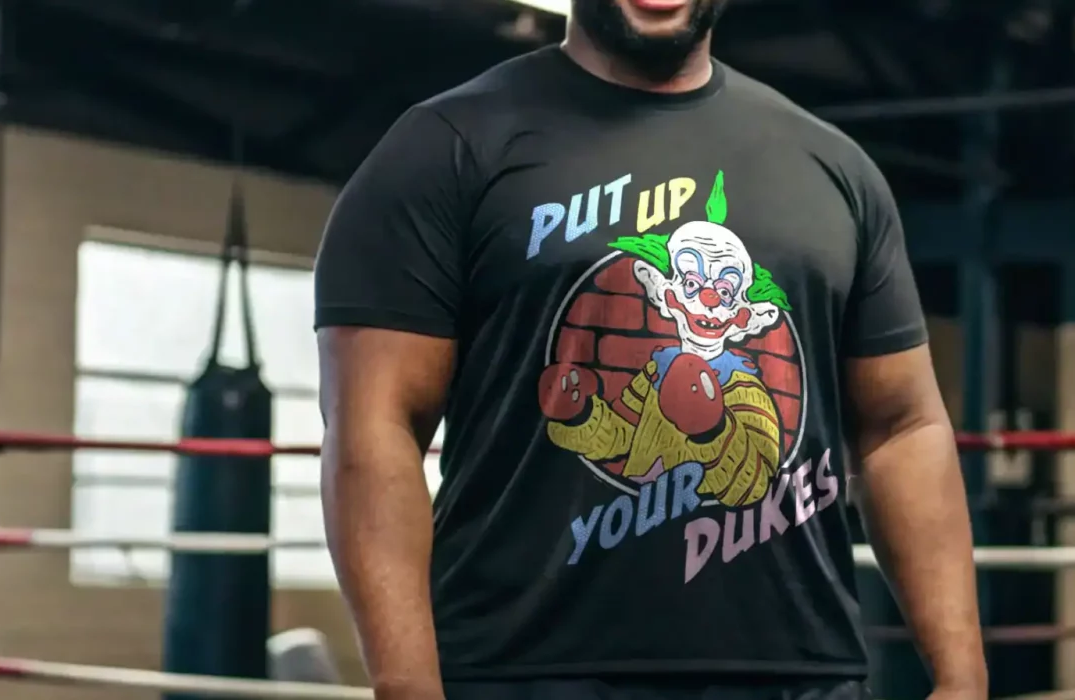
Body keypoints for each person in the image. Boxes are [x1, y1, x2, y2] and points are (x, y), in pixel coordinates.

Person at [313, 1, 984, 698]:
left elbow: (901, 426)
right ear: (667, 293)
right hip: (522, 671)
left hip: (797, 676)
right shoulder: (444, 148)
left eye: (724, 289)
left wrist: (962, 678)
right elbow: (373, 422)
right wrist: (408, 685)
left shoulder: (834, 168)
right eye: (693, 283)